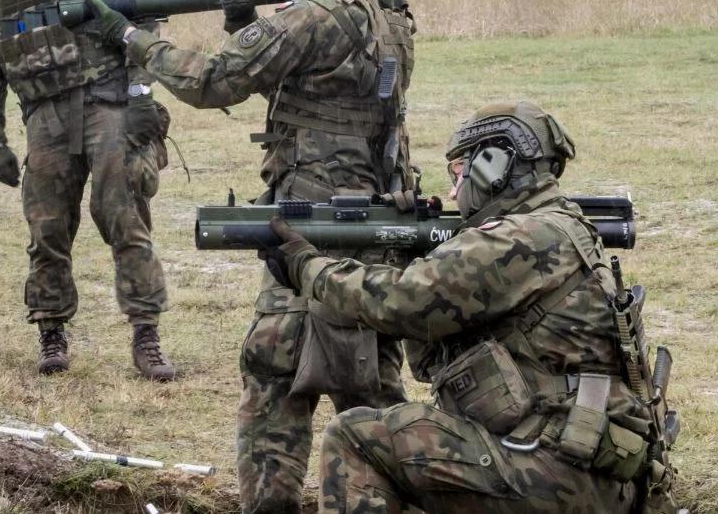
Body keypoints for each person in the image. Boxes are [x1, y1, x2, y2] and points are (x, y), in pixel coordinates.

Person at [81, 0, 417, 511]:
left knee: (275, 381)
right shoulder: (382, 4)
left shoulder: (320, 11)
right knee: (369, 388)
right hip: (366, 218)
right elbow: (304, 82)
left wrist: (129, 38)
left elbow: (214, 81)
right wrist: (244, 21)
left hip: (313, 227)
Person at [266, 101, 683, 513]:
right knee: (415, 449)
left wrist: (309, 269)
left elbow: (399, 303)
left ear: (493, 164)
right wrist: (406, 256)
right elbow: (429, 357)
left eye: (458, 172)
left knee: (356, 439)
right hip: (591, 471)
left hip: (554, 472)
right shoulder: (564, 227)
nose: (452, 190)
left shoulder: (516, 238)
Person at [0, 0, 174, 380]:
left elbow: (144, 19)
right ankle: (52, 334)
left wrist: (143, 94)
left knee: (124, 219)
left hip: (107, 106)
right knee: (47, 230)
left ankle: (146, 335)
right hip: (45, 119)